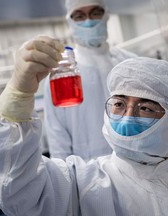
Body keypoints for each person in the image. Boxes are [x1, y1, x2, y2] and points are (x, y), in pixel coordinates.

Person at [0, 40, 168, 215]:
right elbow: (14, 186)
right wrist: (17, 95)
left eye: (145, 108)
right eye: (119, 104)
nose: (128, 116)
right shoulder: (79, 184)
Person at [43, 0, 137, 160]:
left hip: (135, 164)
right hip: (87, 172)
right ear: (70, 22)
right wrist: (66, 179)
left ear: (106, 15)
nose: (89, 21)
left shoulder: (131, 64)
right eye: (79, 15)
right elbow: (57, 134)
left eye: (95, 13)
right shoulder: (62, 73)